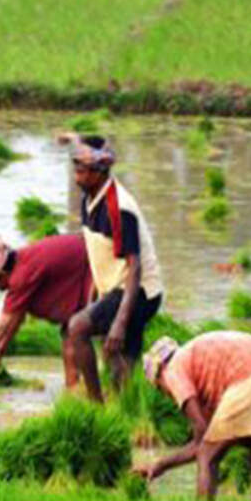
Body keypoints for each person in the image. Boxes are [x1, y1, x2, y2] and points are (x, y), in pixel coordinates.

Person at [135, 332, 251, 501]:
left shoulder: (172, 369)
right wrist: (160, 466)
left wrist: (162, 465)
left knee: (207, 457)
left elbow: (201, 439)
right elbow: (204, 440)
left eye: (161, 389)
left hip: (250, 376)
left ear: (159, 375)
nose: (167, 394)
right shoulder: (198, 362)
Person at [65, 135, 164, 401]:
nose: (77, 177)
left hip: (140, 291)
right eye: (75, 169)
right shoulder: (89, 199)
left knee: (77, 328)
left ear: (100, 171)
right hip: (118, 288)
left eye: (82, 171)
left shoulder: (119, 208)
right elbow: (100, 255)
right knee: (121, 373)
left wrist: (119, 323)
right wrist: (92, 303)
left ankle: (96, 407)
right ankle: (129, 410)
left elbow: (135, 267)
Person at [0, 234, 92, 387]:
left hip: (92, 266)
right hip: (79, 261)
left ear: (1, 275)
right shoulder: (22, 260)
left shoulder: (21, 277)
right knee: (69, 335)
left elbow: (1, 327)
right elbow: (16, 317)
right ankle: (74, 392)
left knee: (72, 335)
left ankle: (84, 393)